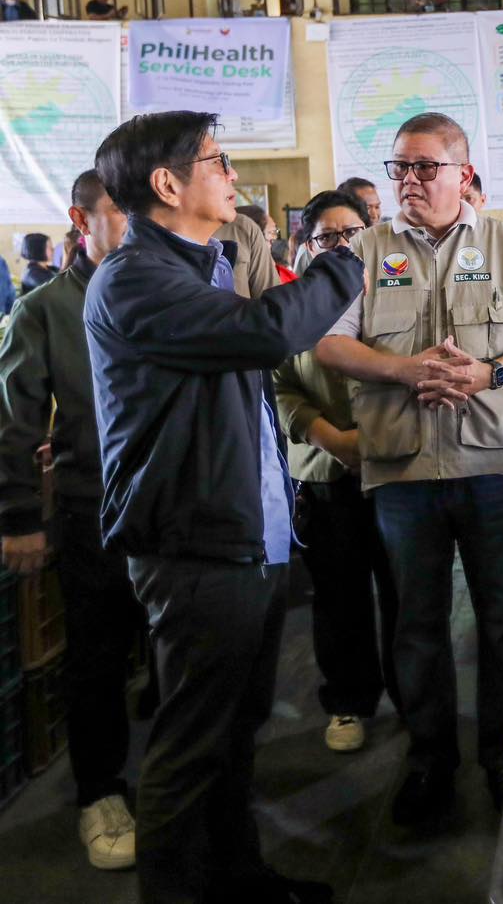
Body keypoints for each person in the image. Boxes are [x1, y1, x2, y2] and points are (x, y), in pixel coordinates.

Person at [85, 110, 364, 904]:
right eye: (217, 160)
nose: (233, 175)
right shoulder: (137, 277)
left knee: (235, 736)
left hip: (247, 535)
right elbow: (266, 330)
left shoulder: (201, 262)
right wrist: (344, 263)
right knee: (190, 744)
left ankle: (239, 881)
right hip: (195, 543)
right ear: (167, 184)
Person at [315, 112, 503, 823]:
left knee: (496, 619)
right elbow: (330, 345)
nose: (410, 181)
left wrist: (492, 373)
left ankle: (499, 754)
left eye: (425, 167)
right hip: (403, 467)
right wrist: (402, 369)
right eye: (399, 167)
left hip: (493, 462)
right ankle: (429, 761)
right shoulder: (363, 247)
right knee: (416, 624)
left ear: (463, 173)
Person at [0, 169, 140, 872]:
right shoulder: (45, 310)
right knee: (96, 657)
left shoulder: (164, 294)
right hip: (95, 512)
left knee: (184, 658)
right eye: (118, 211)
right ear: (79, 218)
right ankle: (101, 790)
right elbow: (17, 420)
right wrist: (23, 516)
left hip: (176, 510)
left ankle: (186, 787)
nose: (134, 224)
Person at [274, 189, 397, 756]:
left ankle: (413, 697)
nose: (342, 245)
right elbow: (279, 387)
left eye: (351, 233)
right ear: (308, 244)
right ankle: (347, 702)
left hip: (396, 469)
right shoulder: (292, 308)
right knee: (339, 596)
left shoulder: (396, 299)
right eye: (328, 236)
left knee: (405, 593)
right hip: (325, 473)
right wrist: (329, 438)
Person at [212, 210, 277, 299]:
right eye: (271, 232)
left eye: (275, 232)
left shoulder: (244, 227)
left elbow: (272, 301)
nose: (274, 237)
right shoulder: (240, 228)